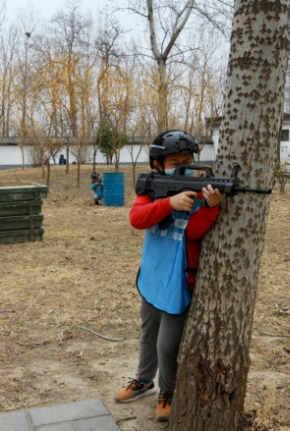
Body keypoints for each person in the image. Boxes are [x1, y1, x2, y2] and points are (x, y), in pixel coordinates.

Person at [114, 130, 223, 421]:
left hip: (178, 282)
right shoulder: (151, 189)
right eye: (175, 161)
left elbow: (195, 232)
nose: (183, 166)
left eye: (188, 160)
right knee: (149, 335)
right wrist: (169, 204)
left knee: (167, 344)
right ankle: (144, 379)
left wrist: (210, 209)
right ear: (158, 164)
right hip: (152, 276)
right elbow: (137, 219)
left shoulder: (200, 189)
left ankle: (168, 390)